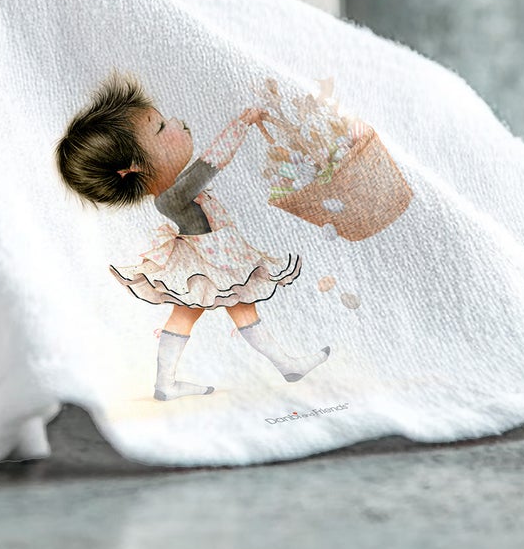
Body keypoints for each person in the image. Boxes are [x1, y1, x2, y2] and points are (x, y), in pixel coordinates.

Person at [57, 72, 329, 401]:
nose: (176, 122)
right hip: (216, 262)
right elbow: (212, 161)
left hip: (210, 260)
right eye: (160, 128)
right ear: (132, 168)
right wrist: (242, 123)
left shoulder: (174, 189)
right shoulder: (172, 196)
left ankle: (168, 383)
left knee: (200, 312)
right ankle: (284, 365)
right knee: (238, 307)